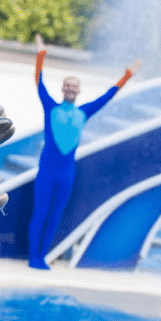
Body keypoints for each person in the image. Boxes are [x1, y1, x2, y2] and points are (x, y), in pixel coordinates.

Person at [27, 33, 141, 269]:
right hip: (48, 170)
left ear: (78, 92)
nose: (70, 89)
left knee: (55, 215)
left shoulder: (84, 112)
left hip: (66, 172)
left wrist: (126, 76)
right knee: (40, 211)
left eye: (74, 86)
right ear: (62, 89)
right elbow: (39, 81)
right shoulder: (51, 107)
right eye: (67, 85)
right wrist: (40, 55)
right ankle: (33, 256)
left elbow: (108, 96)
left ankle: (43, 256)